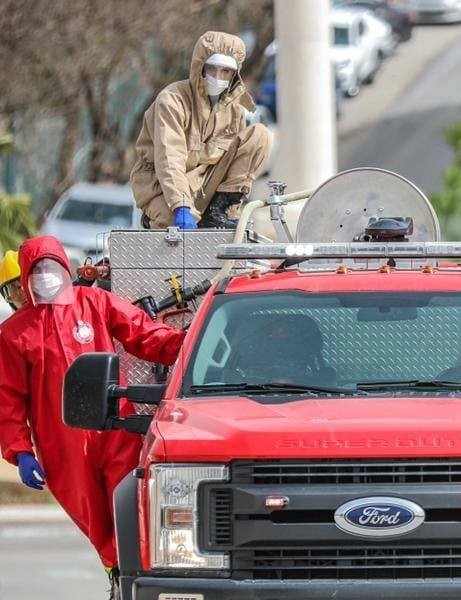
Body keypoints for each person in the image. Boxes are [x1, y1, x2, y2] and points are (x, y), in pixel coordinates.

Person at [0, 236, 185, 567]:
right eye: (37, 270)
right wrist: (21, 451)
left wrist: (188, 345)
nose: (45, 275)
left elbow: (144, 334)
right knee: (92, 516)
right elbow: (8, 399)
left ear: (63, 265)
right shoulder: (15, 333)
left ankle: (136, 568)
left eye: (50, 266)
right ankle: (117, 572)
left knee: (130, 505)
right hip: (62, 442)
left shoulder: (95, 302)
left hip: (114, 426)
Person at [130, 31, 272, 231]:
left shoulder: (235, 110)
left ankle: (220, 210)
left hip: (206, 184)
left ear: (234, 74)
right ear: (200, 67)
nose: (217, 77)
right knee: (171, 229)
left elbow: (233, 162)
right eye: (212, 68)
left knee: (260, 135)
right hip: (161, 186)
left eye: (225, 71)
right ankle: (156, 216)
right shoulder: (172, 100)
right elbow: (169, 159)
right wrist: (180, 205)